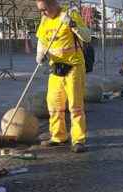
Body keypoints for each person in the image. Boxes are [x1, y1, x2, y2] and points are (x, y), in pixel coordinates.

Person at [35, 0, 91, 153]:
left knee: (75, 106)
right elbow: (42, 39)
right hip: (56, 68)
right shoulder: (45, 19)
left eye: (44, 9)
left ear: (53, 4)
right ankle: (58, 136)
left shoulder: (69, 14)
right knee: (54, 105)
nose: (43, 13)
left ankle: (78, 139)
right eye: (40, 10)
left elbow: (87, 37)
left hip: (74, 66)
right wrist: (40, 54)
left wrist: (72, 25)